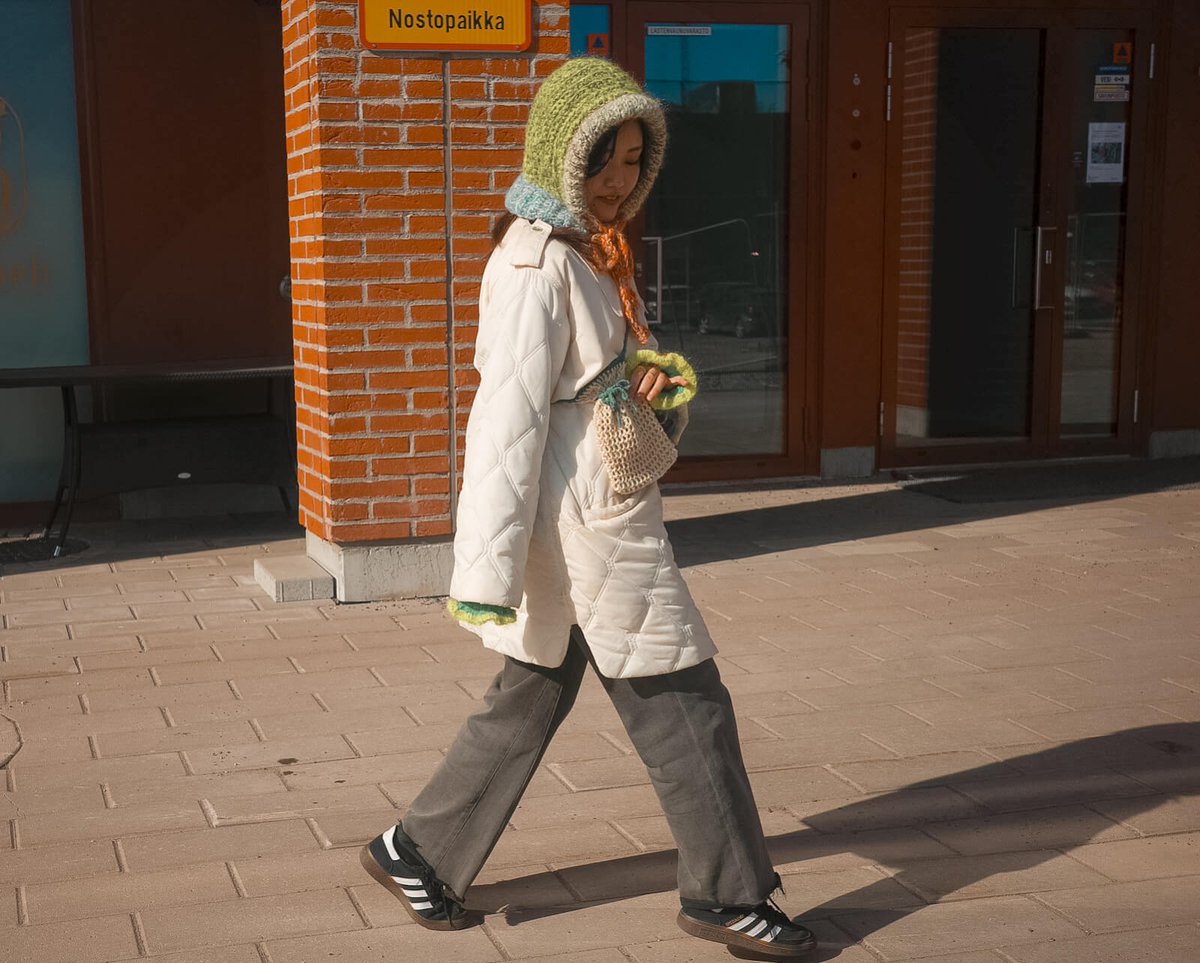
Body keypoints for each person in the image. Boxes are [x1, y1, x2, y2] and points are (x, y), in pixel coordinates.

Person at [359, 57, 816, 959]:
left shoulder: (588, 254)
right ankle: (728, 896)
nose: (617, 182)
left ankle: (416, 848)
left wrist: (649, 387)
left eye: (633, 162)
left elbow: (583, 394)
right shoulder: (534, 263)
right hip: (586, 532)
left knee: (531, 693)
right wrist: (482, 577)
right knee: (687, 700)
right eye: (603, 162)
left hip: (594, 512)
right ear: (562, 156)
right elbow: (504, 422)